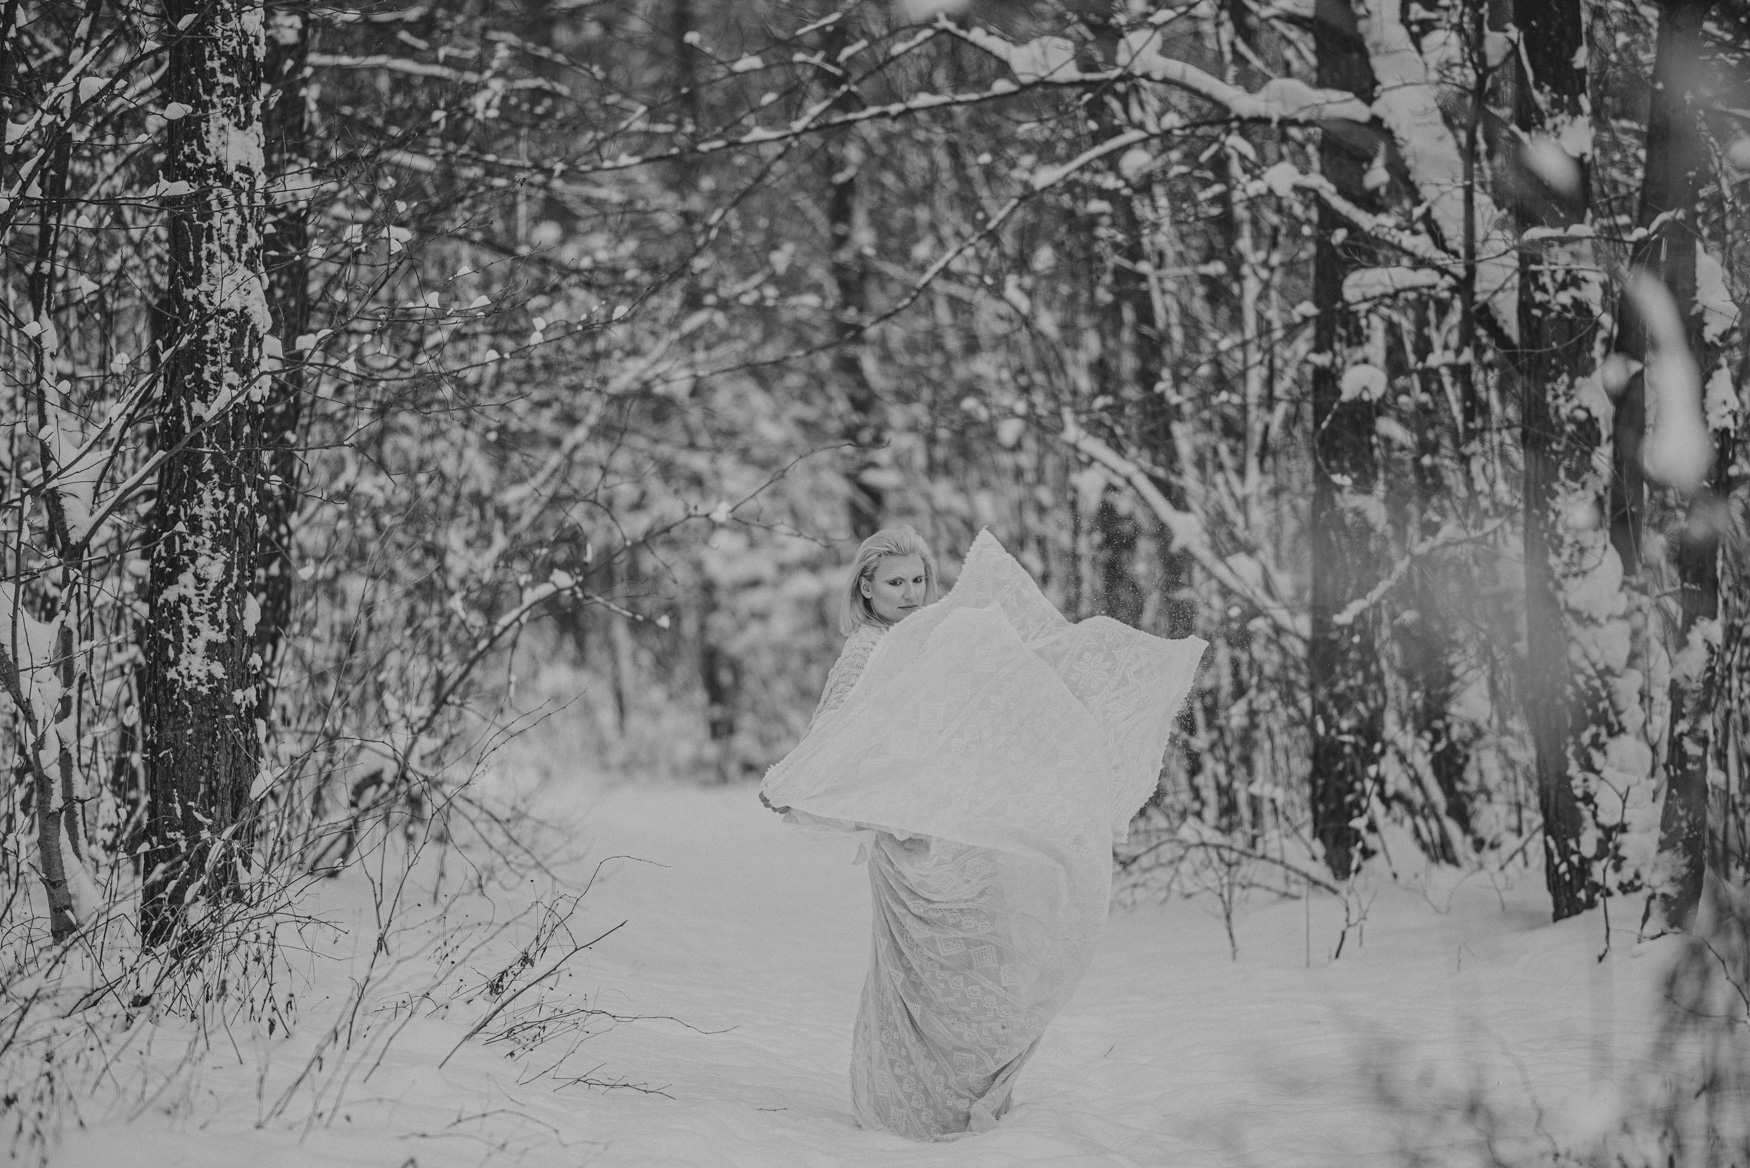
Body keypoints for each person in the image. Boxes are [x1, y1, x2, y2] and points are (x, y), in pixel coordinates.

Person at [763, 525, 1205, 1142]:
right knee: (922, 980)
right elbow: (835, 739)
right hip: (909, 840)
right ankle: (908, 1110)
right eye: (896, 583)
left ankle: (971, 1096)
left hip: (959, 832)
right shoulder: (865, 652)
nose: (911, 593)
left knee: (984, 965)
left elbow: (974, 714)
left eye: (918, 580)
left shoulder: (933, 636)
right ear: (866, 587)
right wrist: (798, 785)